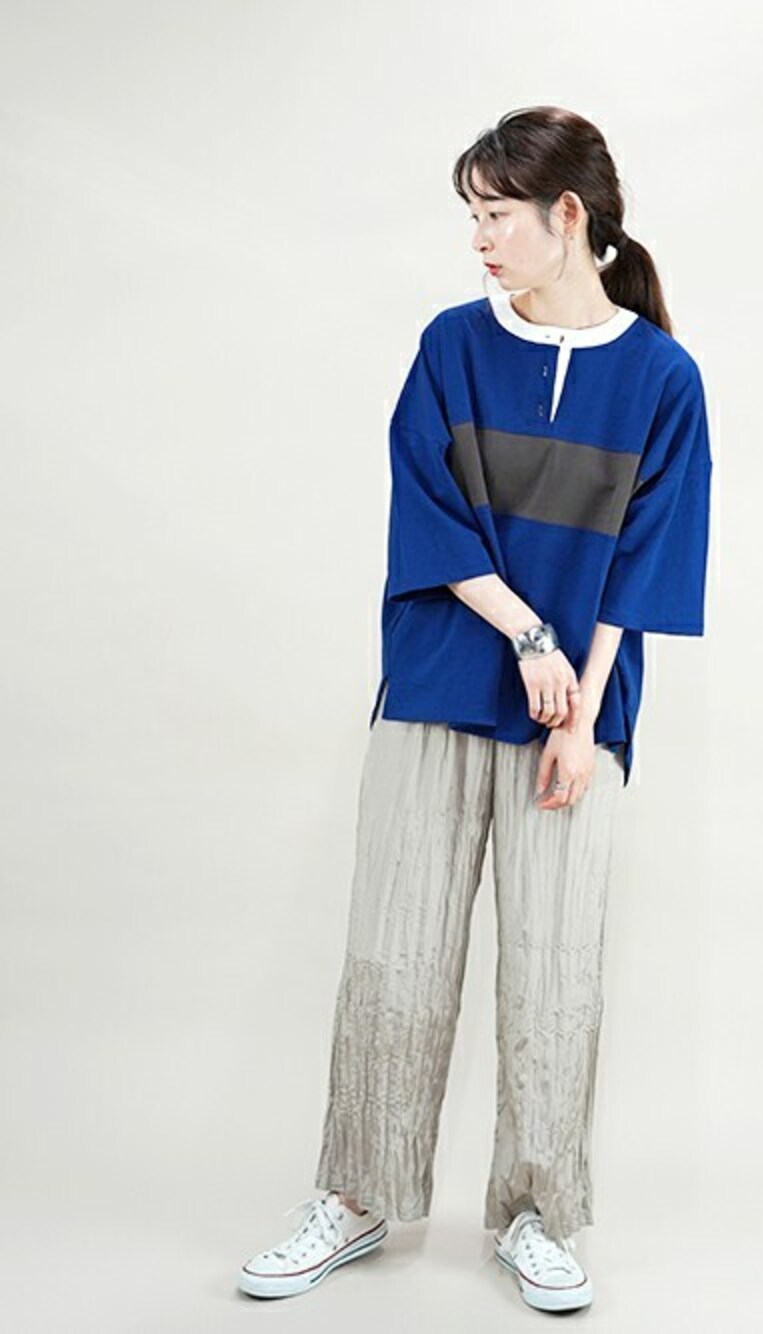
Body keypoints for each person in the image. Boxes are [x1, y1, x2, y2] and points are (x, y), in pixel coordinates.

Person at [237, 104, 713, 1315]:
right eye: (473, 214)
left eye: (496, 213)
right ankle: (356, 1195)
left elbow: (648, 564)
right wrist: (528, 635)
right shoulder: (452, 344)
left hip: (573, 719)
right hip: (442, 681)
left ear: (570, 216)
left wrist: (582, 713)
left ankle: (539, 1214)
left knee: (555, 965)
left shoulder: (661, 378)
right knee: (394, 951)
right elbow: (428, 511)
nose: (479, 238)